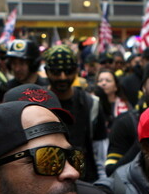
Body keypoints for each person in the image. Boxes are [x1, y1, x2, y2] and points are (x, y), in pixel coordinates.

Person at [44, 45, 108, 182]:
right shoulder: (37, 102)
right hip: (46, 178)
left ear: (77, 71)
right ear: (47, 72)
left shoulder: (91, 104)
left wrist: (103, 183)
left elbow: (100, 149)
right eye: (56, 72)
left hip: (84, 179)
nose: (63, 77)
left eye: (68, 71)